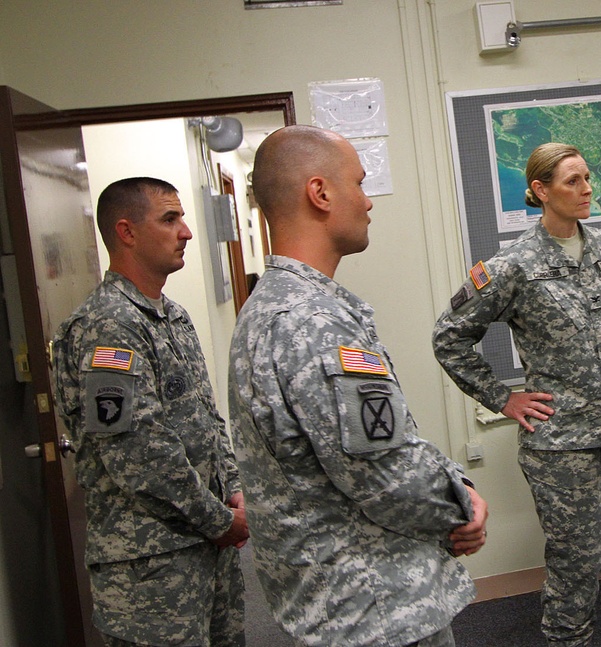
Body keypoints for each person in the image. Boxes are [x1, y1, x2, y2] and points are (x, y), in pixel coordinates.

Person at [228, 125, 488, 647]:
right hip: (377, 608)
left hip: (342, 604)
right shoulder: (310, 319)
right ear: (320, 193)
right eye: (359, 184)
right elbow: (383, 468)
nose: (369, 202)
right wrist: (462, 502)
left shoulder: (274, 308)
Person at [433, 142, 601, 647]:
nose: (586, 190)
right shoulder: (513, 264)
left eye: (587, 178)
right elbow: (449, 336)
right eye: (572, 181)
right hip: (563, 445)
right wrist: (503, 398)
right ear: (540, 191)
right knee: (577, 565)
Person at [52, 177, 248, 646]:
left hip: (205, 548)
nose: (186, 231)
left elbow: (205, 417)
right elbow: (137, 453)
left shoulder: (171, 315)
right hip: (150, 570)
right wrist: (220, 520)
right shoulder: (108, 325)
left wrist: (233, 487)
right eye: (169, 218)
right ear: (127, 232)